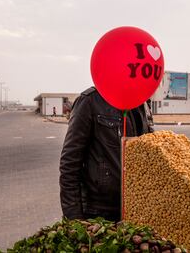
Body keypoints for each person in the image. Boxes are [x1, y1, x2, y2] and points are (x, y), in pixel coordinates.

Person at [59, 87, 153, 222]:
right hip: (98, 211)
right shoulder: (90, 100)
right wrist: (74, 218)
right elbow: (69, 163)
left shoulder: (142, 102)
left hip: (135, 209)